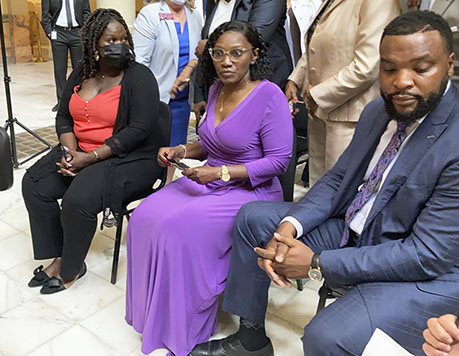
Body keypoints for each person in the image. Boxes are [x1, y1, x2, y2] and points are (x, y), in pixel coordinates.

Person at [191, 11, 459, 356]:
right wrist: (290, 227)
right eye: (390, 69)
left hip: (420, 266)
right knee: (253, 219)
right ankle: (251, 338)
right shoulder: (378, 111)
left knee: (326, 336)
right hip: (356, 228)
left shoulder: (453, 138)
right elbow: (337, 180)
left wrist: (317, 262)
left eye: (421, 69)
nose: (402, 81)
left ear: (449, 64)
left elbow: (428, 255)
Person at [125, 21, 293, 356]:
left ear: (254, 55)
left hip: (250, 190)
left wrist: (222, 172)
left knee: (176, 229)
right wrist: (181, 151)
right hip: (211, 179)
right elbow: (209, 142)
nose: (227, 61)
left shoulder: (269, 94)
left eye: (236, 53)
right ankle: (154, 316)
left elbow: (279, 161)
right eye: (219, 54)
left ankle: (184, 326)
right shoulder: (216, 89)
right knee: (144, 216)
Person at [22, 8, 163, 294]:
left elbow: (139, 130)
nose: (119, 46)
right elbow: (63, 116)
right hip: (81, 150)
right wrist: (70, 152)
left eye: (124, 40)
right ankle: (60, 254)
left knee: (78, 198)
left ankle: (71, 268)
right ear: (94, 44)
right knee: (35, 185)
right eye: (111, 40)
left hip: (127, 156)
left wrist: (91, 158)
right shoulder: (81, 73)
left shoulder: (140, 77)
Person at [285, 0, 401, 186]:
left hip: (351, 114)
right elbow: (316, 43)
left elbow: (368, 65)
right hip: (320, 109)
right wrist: (296, 79)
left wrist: (318, 94)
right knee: (319, 187)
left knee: (341, 191)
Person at [191, 0, 293, 122]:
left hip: (258, 87)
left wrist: (208, 46)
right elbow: (207, 55)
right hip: (219, 90)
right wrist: (200, 94)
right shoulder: (215, 3)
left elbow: (255, 37)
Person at [133, 0, 202, 150]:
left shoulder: (194, 15)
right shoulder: (150, 14)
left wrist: (188, 70)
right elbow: (139, 61)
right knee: (154, 149)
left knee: (176, 149)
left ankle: (170, 174)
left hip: (183, 97)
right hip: (156, 96)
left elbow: (198, 53)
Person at [42, 0, 91, 112]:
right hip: (59, 34)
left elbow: (86, 13)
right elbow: (45, 15)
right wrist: (49, 32)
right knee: (60, 70)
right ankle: (62, 102)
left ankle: (80, 99)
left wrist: (84, 31)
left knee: (79, 68)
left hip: (77, 33)